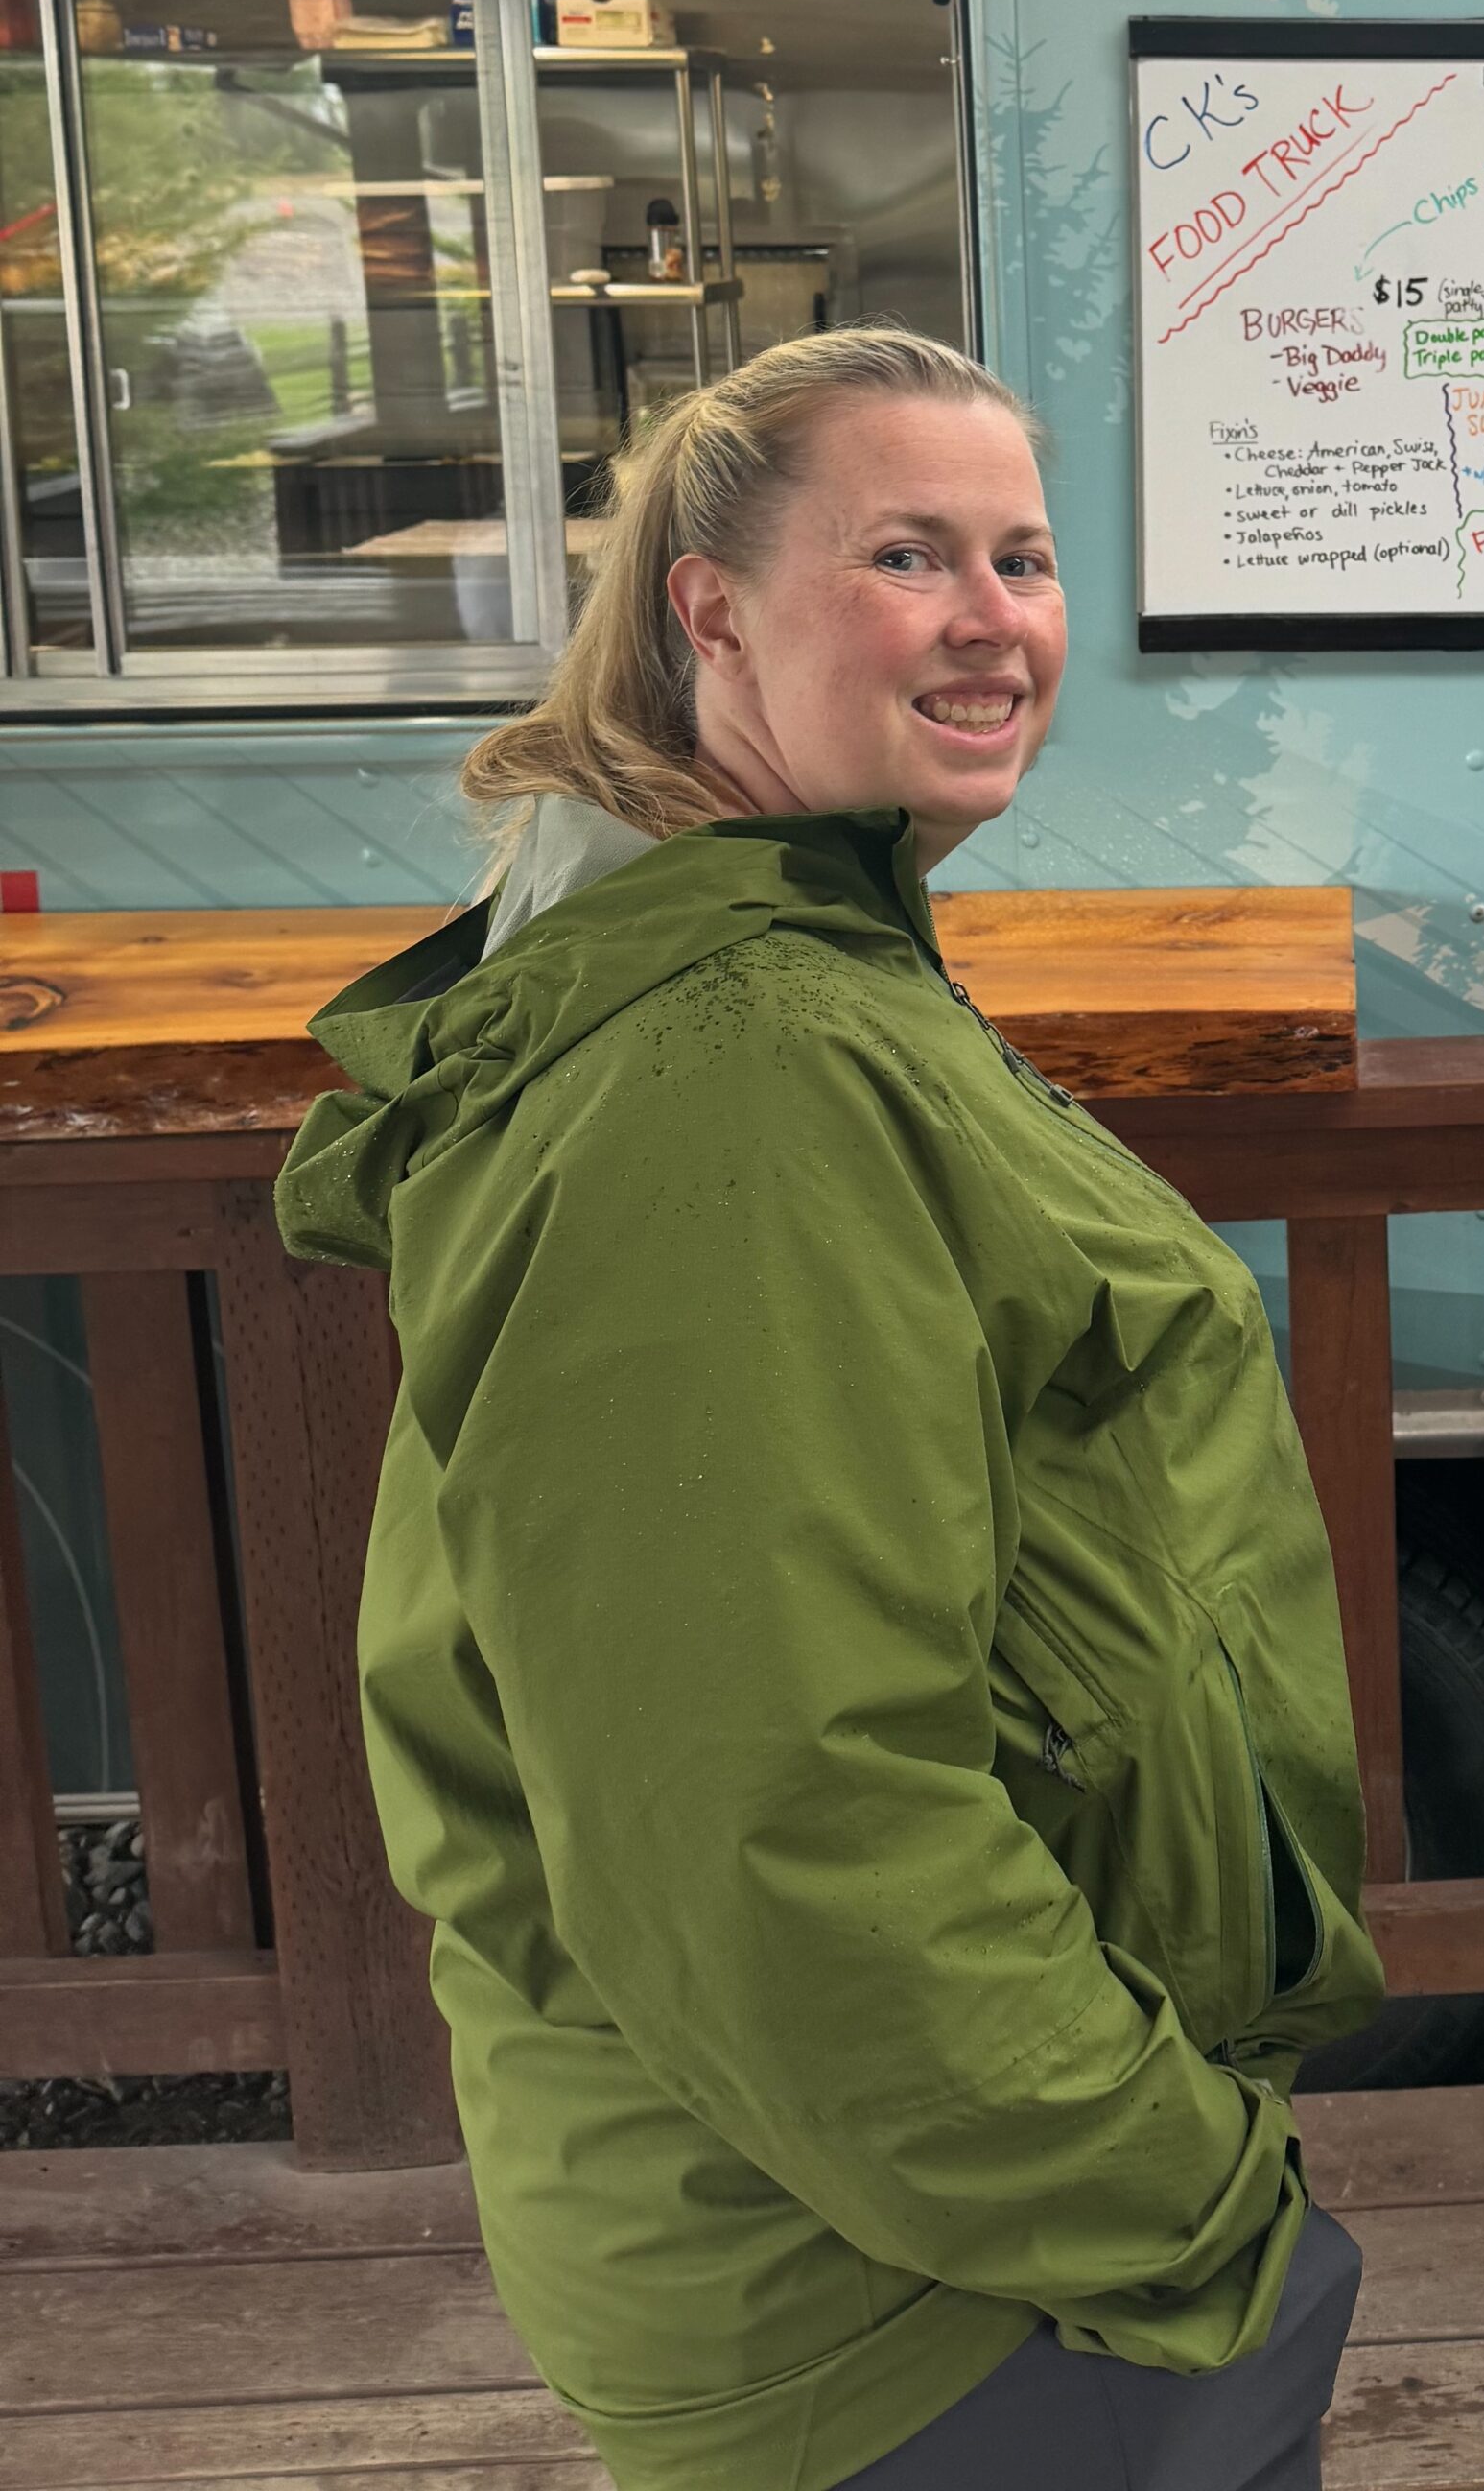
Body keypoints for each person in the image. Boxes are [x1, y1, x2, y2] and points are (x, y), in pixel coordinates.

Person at [276, 329, 1382, 2491]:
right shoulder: (738, 1071)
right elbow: (777, 1818)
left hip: (896, 2217)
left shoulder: (783, 957)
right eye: (908, 552)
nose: (994, 618)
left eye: (1025, 553)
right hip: (918, 2292)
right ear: (712, 611)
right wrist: (1190, 2197)